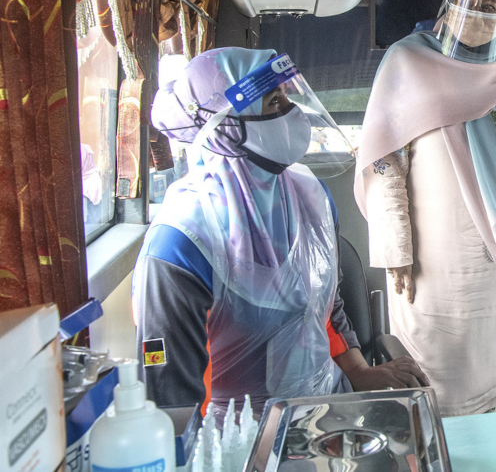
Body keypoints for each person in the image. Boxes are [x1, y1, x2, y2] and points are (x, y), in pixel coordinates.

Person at [133, 47, 427, 416]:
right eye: (274, 102)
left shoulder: (311, 198)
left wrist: (356, 371)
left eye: (287, 96)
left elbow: (326, 302)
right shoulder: (182, 243)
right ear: (225, 127)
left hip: (325, 412)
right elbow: (172, 399)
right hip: (238, 439)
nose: (291, 112)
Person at [355, 0, 496, 416]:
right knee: (439, 385)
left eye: (490, 3)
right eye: (469, 1)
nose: (478, 12)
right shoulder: (408, 62)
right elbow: (385, 165)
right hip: (433, 266)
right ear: (450, 1)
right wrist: (395, 251)